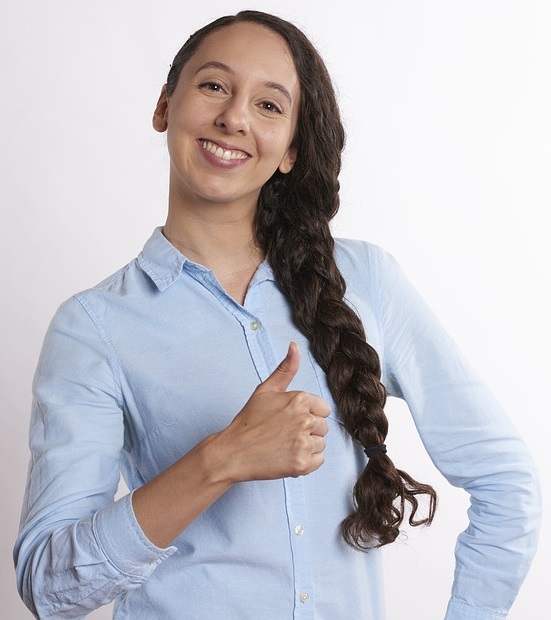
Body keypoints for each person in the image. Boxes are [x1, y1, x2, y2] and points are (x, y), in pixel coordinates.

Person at [14, 9, 540, 620]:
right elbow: (47, 586)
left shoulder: (366, 280)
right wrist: (221, 460)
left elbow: (507, 481)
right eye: (214, 85)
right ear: (164, 106)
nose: (234, 117)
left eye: (268, 105)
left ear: (291, 149)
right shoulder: (94, 327)